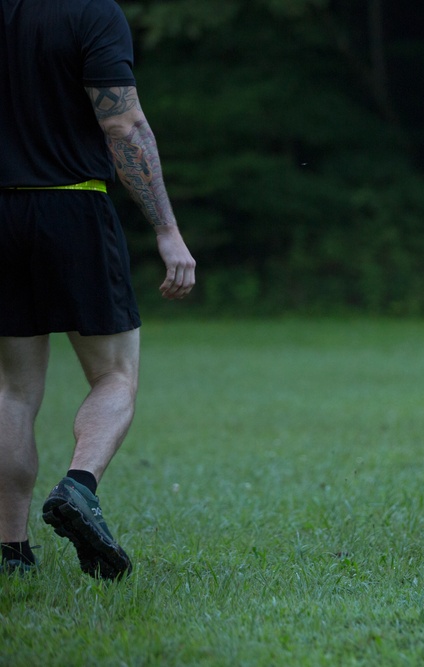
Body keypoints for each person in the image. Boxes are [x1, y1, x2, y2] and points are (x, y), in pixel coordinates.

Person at [1, 0, 196, 578]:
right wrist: (167, 230)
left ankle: (11, 554)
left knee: (13, 390)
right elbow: (123, 124)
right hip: (75, 206)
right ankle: (79, 487)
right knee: (114, 375)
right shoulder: (91, 12)